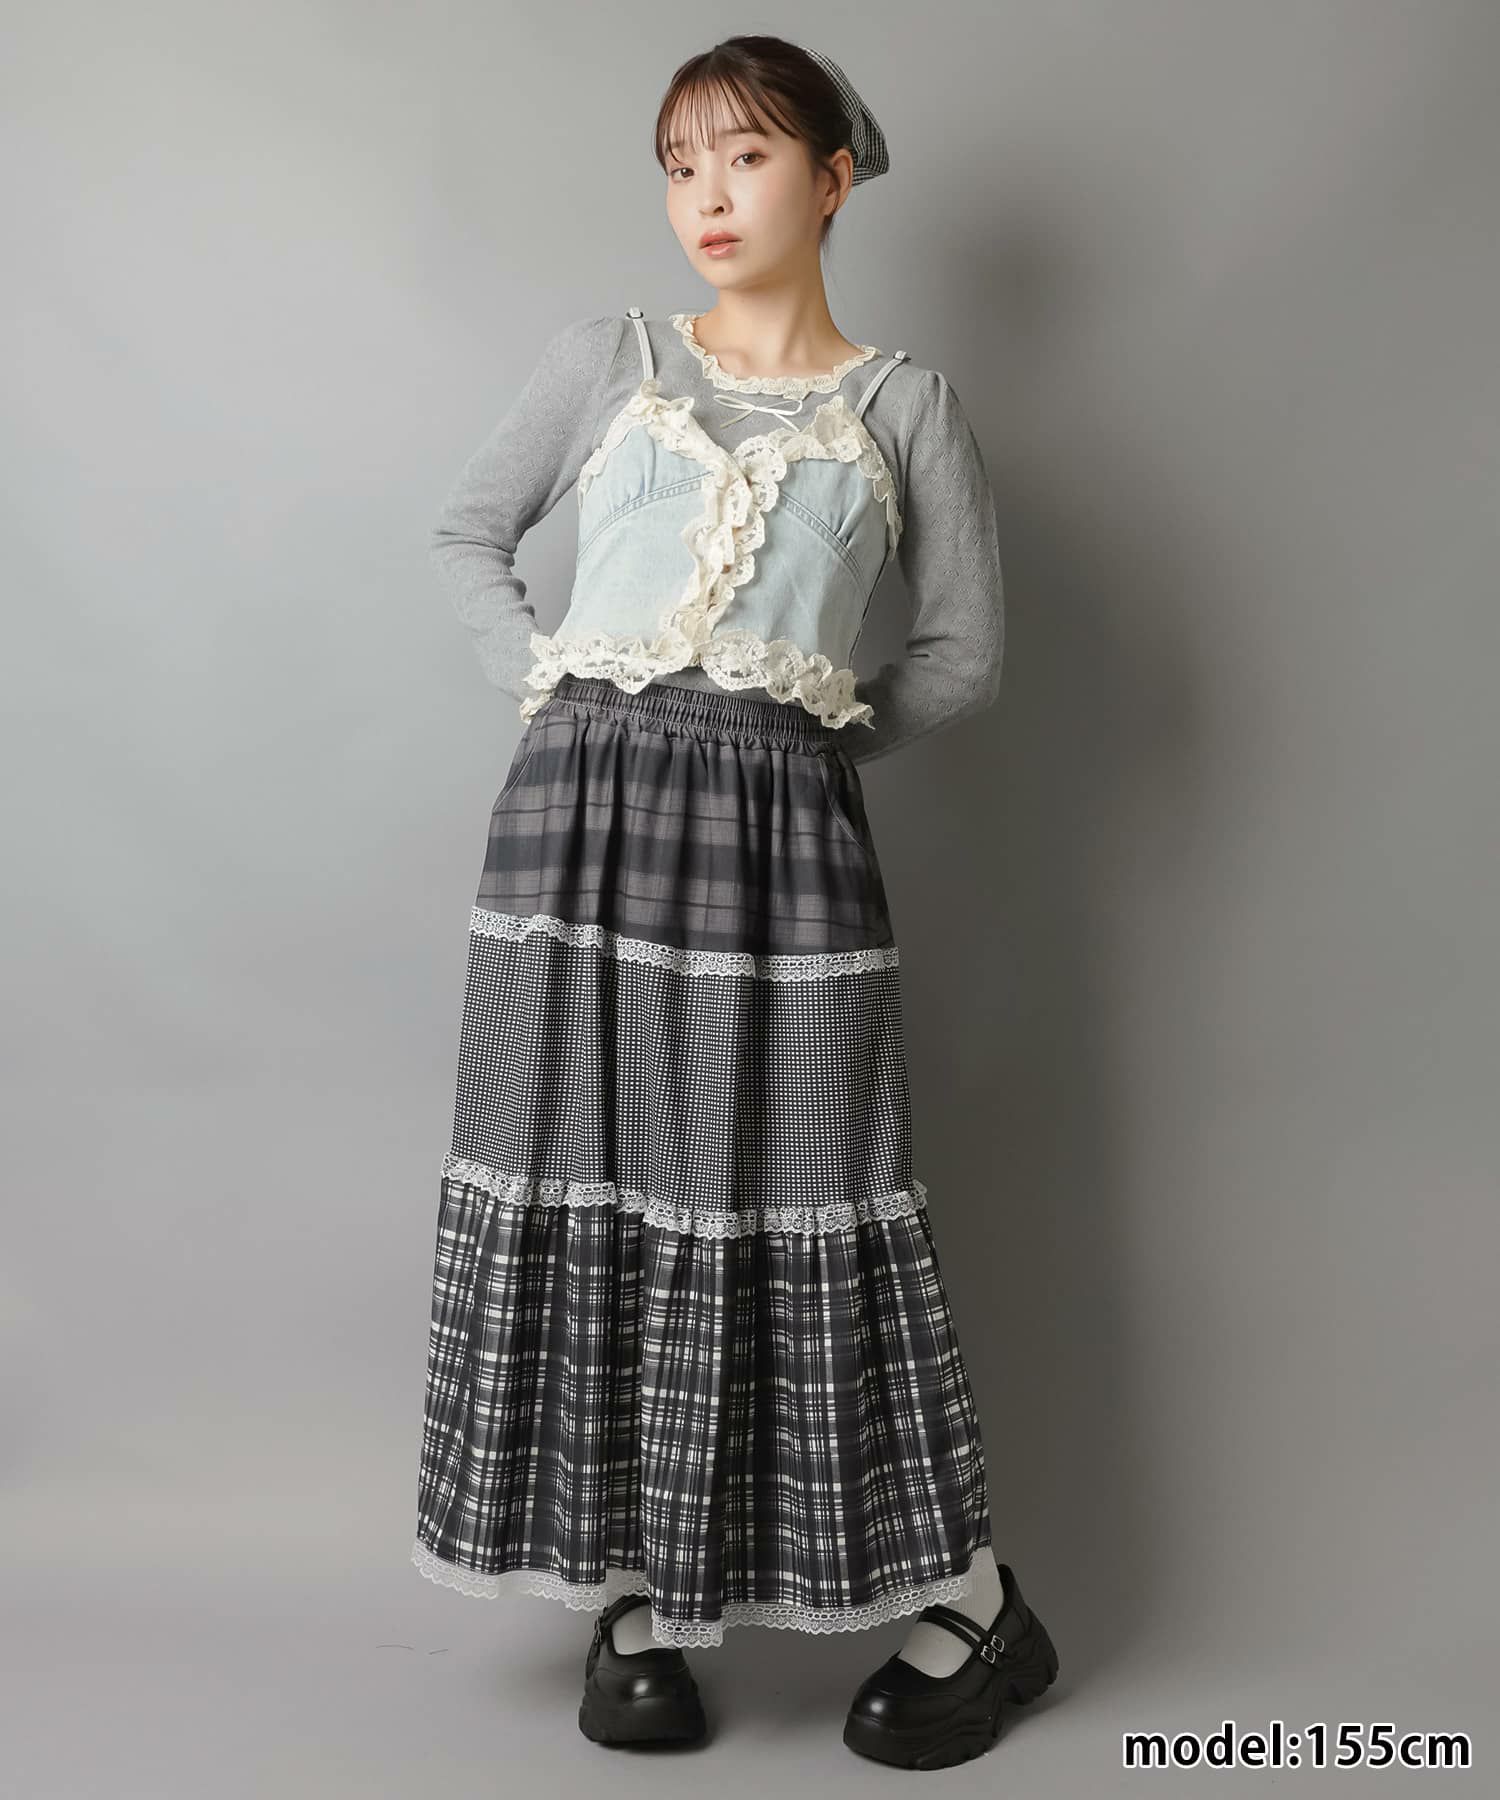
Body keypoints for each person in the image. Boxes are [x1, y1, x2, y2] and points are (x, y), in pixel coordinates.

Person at [410, 33, 1059, 1771]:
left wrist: (798, 747)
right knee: (598, 1174)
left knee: (798, 1188)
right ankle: (637, 1590)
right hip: (573, 833)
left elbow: (964, 654)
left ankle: (980, 1601)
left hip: (781, 848)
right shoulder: (606, 363)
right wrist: (553, 686)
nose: (708, 193)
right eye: (681, 161)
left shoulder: (907, 408)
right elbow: (467, 534)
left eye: (748, 156)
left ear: (833, 179)